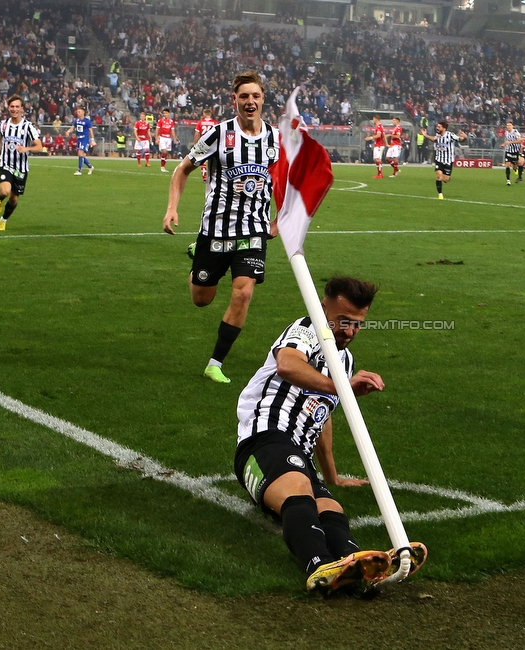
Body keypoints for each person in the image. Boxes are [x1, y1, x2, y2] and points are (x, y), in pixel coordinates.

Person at [234, 276, 425, 594]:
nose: (349, 332)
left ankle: (357, 568)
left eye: (358, 324)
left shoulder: (344, 361)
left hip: (298, 456)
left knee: (331, 510)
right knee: (299, 491)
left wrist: (332, 475)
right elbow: (288, 365)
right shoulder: (305, 329)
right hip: (264, 441)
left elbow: (321, 417)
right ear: (323, 308)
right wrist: (342, 386)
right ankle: (318, 566)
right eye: (344, 321)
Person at [163, 72, 280, 384]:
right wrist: (172, 208)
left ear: (263, 98)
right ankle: (196, 258)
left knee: (243, 293)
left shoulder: (275, 138)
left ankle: (215, 362)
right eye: (244, 97)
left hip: (253, 231)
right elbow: (182, 169)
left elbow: (282, 180)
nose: (250, 102)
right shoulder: (218, 135)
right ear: (235, 100)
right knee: (202, 299)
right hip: (215, 229)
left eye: (255, 96)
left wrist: (280, 218)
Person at [0, 95, 43, 231]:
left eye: (17, 107)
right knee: (4, 191)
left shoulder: (28, 127)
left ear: (22, 108)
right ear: (8, 108)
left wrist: (26, 148)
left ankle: (3, 220)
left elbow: (39, 147)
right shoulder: (3, 125)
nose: (14, 109)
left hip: (21, 169)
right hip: (5, 164)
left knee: (14, 199)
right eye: (12, 107)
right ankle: (0, 198)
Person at [421, 121, 467, 199]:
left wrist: (465, 137)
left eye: (439, 127)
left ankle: (447, 178)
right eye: (437, 126)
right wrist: (425, 135)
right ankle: (440, 194)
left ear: (444, 128)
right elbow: (434, 139)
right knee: (439, 176)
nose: (437, 128)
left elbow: (460, 139)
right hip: (439, 159)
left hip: (448, 160)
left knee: (445, 180)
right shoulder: (438, 136)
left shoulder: (450, 135)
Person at [65, 107, 95, 176]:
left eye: (79, 112)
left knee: (80, 152)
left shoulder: (87, 121)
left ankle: (79, 170)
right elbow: (73, 127)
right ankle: (90, 167)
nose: (77, 113)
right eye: (77, 112)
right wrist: (68, 131)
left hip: (85, 139)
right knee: (81, 155)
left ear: (83, 112)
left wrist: (92, 139)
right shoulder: (76, 120)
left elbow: (90, 130)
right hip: (79, 139)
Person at [193, 107, 219, 182]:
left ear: (204, 114)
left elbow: (196, 134)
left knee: (203, 160)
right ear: (210, 114)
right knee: (214, 161)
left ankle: (204, 177)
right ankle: (214, 177)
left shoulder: (200, 122)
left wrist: (195, 144)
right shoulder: (215, 123)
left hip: (203, 143)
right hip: (213, 143)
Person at [156, 108, 176, 172]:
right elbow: (157, 129)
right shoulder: (160, 120)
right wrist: (157, 138)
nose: (165, 114)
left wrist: (174, 138)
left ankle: (163, 166)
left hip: (168, 138)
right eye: (164, 113)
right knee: (164, 152)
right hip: (162, 138)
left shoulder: (171, 121)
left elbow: (172, 131)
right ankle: (162, 167)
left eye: (166, 113)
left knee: (166, 153)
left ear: (169, 113)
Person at [502, 121, 521, 185]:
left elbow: (519, 141)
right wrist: (503, 144)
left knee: (514, 166)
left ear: (512, 126)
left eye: (510, 125)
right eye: (507, 125)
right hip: (508, 150)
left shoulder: (516, 132)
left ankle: (516, 169)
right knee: (507, 165)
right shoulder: (506, 133)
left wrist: (510, 142)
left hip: (515, 152)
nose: (508, 127)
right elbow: (507, 141)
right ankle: (508, 180)